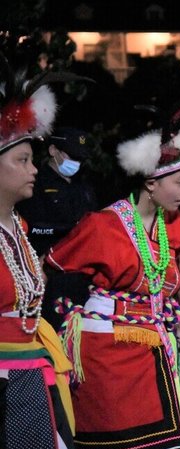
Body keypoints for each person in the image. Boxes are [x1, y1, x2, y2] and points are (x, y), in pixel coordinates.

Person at [46, 95, 180, 449]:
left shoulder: (170, 225)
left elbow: (175, 260)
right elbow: (52, 266)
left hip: (153, 350)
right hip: (105, 352)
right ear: (150, 182)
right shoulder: (102, 227)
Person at [0, 62, 84, 449]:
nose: (34, 169)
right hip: (8, 381)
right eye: (23, 160)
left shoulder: (21, 229)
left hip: (38, 374)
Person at [17, 126, 97, 330]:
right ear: (53, 150)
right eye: (71, 156)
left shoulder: (85, 187)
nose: (76, 163)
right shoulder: (34, 183)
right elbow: (28, 227)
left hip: (81, 276)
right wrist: (69, 230)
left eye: (80, 159)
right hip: (45, 273)